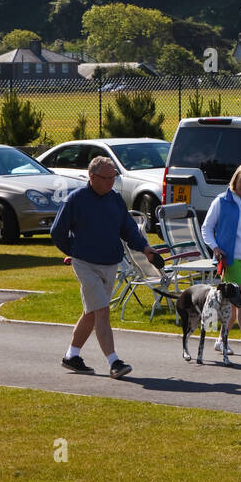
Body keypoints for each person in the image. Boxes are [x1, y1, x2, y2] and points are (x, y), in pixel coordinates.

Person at [51, 155, 165, 378]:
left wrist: (146, 249)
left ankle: (71, 355)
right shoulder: (75, 200)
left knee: (92, 312)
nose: (112, 182)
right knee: (102, 311)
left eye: (114, 177)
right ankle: (114, 362)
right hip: (85, 264)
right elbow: (57, 232)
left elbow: (129, 229)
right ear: (92, 177)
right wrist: (74, 252)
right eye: (107, 178)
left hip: (110, 263)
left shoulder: (114, 199)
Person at [200, 163, 241, 359]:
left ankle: (221, 340)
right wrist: (215, 248)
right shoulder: (221, 201)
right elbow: (207, 228)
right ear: (235, 180)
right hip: (230, 259)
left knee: (235, 305)